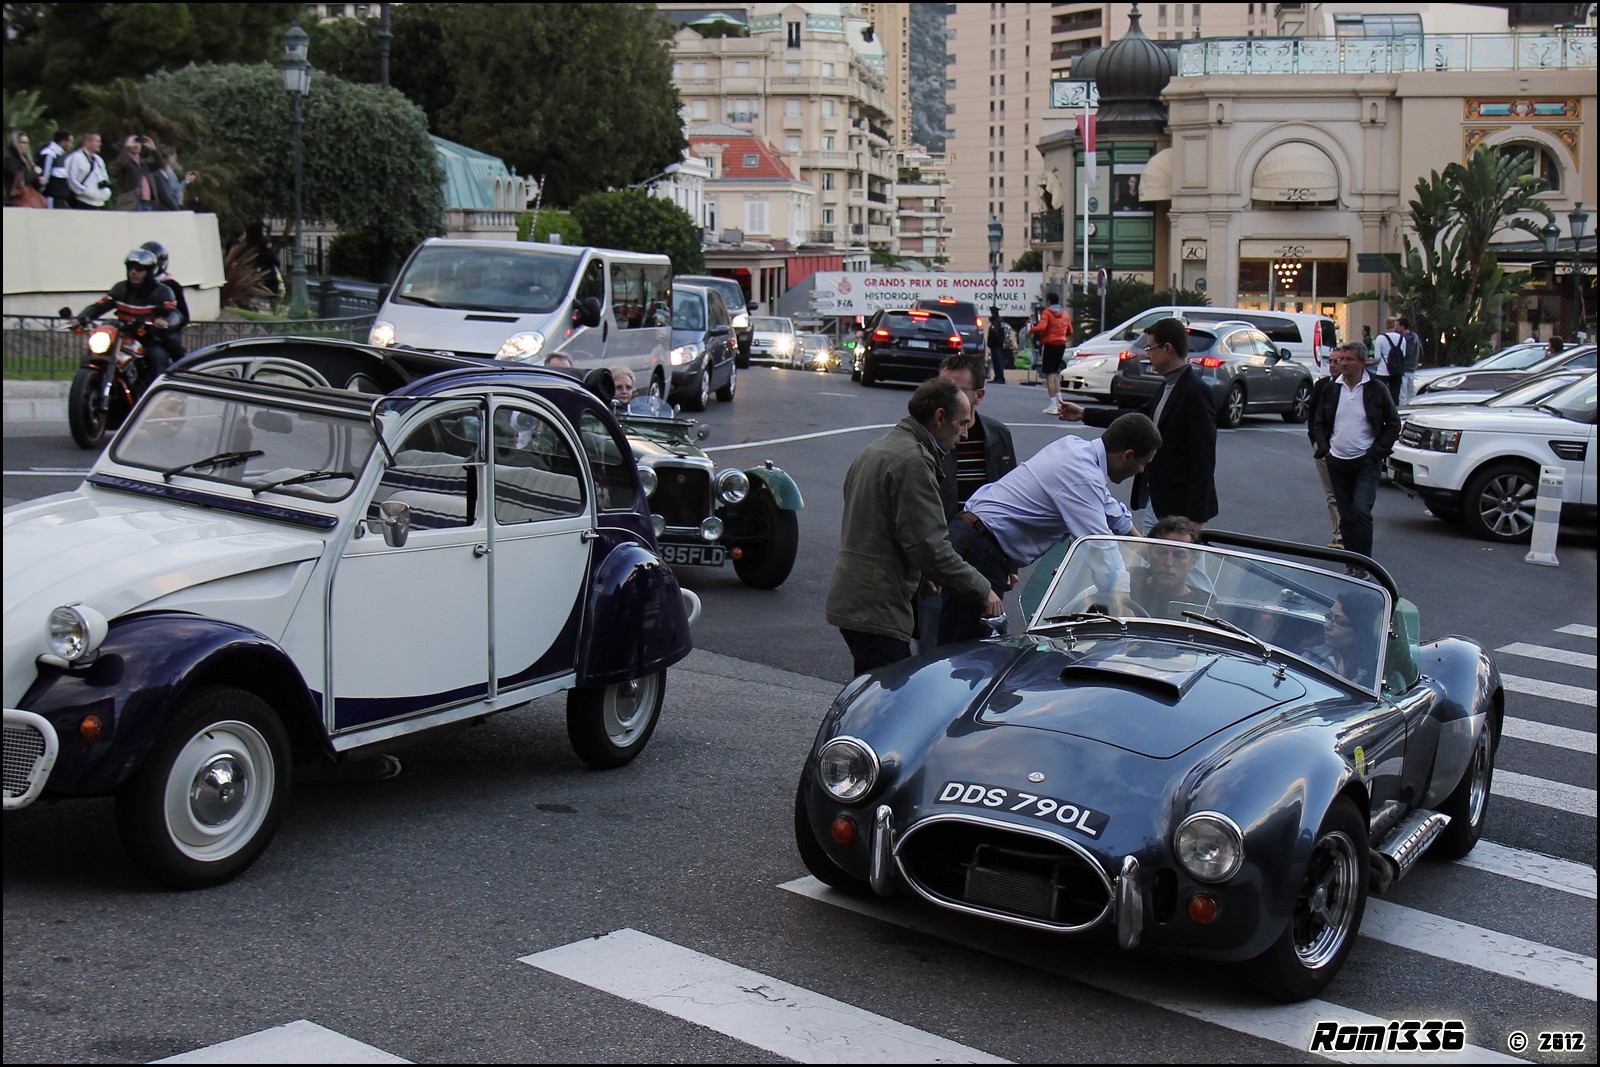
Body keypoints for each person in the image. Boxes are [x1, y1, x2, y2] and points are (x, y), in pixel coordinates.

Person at [826, 377, 1002, 675]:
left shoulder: (882, 448)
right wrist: (983, 590)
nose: (965, 432)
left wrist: (923, 575)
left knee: (874, 693)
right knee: (886, 705)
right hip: (879, 605)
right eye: (961, 423)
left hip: (857, 596)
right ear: (939, 418)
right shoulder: (913, 463)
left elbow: (883, 527)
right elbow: (930, 546)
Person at [938, 412, 1161, 645]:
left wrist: (1149, 549)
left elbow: (1110, 509)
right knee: (967, 652)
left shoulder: (1075, 448)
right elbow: (1101, 550)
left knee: (968, 641)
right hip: (981, 548)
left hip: (977, 537)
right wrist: (1126, 614)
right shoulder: (1082, 476)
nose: (1142, 471)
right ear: (1128, 456)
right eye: (1144, 463)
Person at [1059, 317, 1217, 528]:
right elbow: (1136, 419)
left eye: (1151, 348)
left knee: (1185, 560)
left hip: (1181, 508)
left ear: (1168, 348)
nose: (1147, 354)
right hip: (1159, 500)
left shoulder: (1195, 391)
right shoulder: (1168, 386)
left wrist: (1196, 518)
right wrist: (1084, 413)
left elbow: (1204, 457)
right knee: (1152, 557)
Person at [916, 354, 1018, 649]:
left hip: (985, 553)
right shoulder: (929, 436)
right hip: (942, 551)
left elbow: (1009, 500)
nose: (947, 397)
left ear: (979, 396)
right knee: (933, 640)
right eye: (942, 386)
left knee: (978, 644)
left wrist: (1009, 562)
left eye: (957, 390)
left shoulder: (997, 435)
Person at [1309, 342, 1401, 563]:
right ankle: (1352, 563)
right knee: (1347, 516)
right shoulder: (1332, 389)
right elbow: (1318, 422)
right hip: (1337, 461)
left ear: (1362, 362)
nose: (1343, 364)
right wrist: (1324, 449)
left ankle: (1364, 563)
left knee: (1361, 512)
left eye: (1349, 360)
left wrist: (1376, 453)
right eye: (1341, 360)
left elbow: (1392, 423)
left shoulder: (1376, 388)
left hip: (1365, 462)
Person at [74, 248, 182, 378]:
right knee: (96, 352)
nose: (133, 272)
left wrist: (166, 322)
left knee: (157, 356)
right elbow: (99, 306)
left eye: (139, 269)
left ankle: (157, 394)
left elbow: (175, 313)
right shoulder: (120, 288)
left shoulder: (162, 291)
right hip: (123, 335)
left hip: (149, 338)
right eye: (131, 268)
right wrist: (80, 318)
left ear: (148, 271)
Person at [1129, 515, 1206, 620]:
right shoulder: (1127, 592)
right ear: (1149, 554)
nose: (1169, 563)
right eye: (1161, 552)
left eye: (1179, 555)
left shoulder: (1204, 611)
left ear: (1193, 562)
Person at [1302, 593, 1381, 688]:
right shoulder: (1311, 657)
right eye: (1329, 616)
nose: (1326, 625)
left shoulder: (1377, 673)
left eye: (1340, 622)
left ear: (1362, 631)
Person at [140, 242, 190, 368]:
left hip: (165, 330)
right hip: (141, 328)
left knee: (167, 347)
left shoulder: (171, 285)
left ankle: (182, 369)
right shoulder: (135, 286)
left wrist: (165, 323)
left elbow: (183, 314)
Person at [1028, 291, 1073, 414]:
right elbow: (1070, 330)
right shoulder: (1065, 314)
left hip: (1050, 344)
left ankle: (1053, 404)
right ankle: (1060, 401)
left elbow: (1042, 327)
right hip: (1061, 344)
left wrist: (1031, 331)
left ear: (1048, 301)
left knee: (1049, 374)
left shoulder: (1047, 312)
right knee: (1056, 373)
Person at [62, 132, 111, 210]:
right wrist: (85, 192)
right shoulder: (75, 158)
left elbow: (105, 178)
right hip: (81, 202)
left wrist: (106, 193)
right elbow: (71, 179)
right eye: (97, 141)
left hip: (98, 203)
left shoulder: (99, 160)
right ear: (87, 142)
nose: (100, 144)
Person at [114, 134, 158, 212]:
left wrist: (153, 149)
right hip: (132, 202)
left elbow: (159, 164)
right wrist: (127, 147)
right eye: (134, 143)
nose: (137, 145)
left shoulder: (143, 163)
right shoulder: (126, 161)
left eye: (138, 143)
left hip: (146, 202)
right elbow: (120, 163)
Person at [4, 130, 45, 207]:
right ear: (16, 144)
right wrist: (35, 173)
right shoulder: (10, 161)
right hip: (16, 201)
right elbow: (21, 181)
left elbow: (31, 183)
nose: (26, 145)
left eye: (27, 143)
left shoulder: (28, 162)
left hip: (30, 201)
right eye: (23, 143)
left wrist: (39, 181)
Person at [153, 146, 196, 211]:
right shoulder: (168, 171)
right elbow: (173, 189)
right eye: (174, 157)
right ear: (169, 157)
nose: (175, 160)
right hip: (171, 205)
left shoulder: (169, 170)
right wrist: (186, 181)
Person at [36, 129, 72, 207]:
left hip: (60, 196)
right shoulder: (49, 153)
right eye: (70, 142)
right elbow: (45, 175)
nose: (71, 145)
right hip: (51, 196)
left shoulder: (60, 155)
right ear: (63, 142)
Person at [986, 306, 1008, 384]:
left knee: (998, 361)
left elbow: (994, 333)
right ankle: (998, 377)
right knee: (996, 362)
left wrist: (991, 342)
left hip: (996, 345)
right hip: (997, 345)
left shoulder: (997, 321)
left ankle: (1000, 378)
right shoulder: (998, 321)